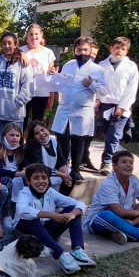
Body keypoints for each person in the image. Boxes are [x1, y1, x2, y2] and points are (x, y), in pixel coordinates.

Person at [14, 164, 95, 275]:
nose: (41, 181)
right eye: (35, 178)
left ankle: (78, 250)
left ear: (49, 180)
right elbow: (22, 210)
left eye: (44, 177)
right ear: (28, 182)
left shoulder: (51, 192)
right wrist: (52, 215)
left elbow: (79, 204)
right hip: (25, 233)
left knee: (73, 209)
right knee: (32, 218)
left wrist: (72, 214)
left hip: (44, 233)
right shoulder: (24, 193)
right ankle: (61, 254)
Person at [51, 36, 107, 184]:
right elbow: (61, 82)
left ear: (90, 51)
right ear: (74, 50)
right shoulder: (69, 65)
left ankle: (75, 169)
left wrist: (91, 84)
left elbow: (104, 92)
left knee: (78, 139)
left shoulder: (97, 69)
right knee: (62, 137)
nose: (81, 52)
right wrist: (54, 75)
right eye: (78, 49)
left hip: (82, 111)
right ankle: (62, 167)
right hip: (64, 108)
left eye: (85, 50)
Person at [83, 150, 139, 244]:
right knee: (106, 215)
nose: (128, 165)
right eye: (124, 162)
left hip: (129, 220)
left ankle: (123, 231)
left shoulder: (134, 180)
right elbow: (121, 213)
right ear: (114, 166)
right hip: (101, 222)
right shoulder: (108, 184)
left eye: (131, 163)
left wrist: (133, 222)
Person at [97, 37, 139, 175]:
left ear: (127, 51)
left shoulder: (131, 66)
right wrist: (97, 99)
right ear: (110, 48)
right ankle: (111, 159)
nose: (119, 51)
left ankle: (108, 162)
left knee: (114, 134)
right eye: (116, 47)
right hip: (105, 104)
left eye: (123, 48)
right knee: (106, 132)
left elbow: (132, 88)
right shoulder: (102, 65)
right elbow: (98, 84)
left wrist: (123, 106)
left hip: (121, 106)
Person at [0, 32, 33, 145]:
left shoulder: (22, 62)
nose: (7, 46)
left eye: (10, 43)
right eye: (4, 43)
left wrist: (18, 103)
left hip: (15, 114)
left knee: (14, 144)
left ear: (15, 44)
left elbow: (29, 85)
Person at [20, 24, 56, 124]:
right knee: (22, 122)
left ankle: (34, 140)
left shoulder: (48, 52)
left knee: (37, 123)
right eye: (31, 34)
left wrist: (51, 97)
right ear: (27, 36)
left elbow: (51, 77)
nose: (34, 37)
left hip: (42, 94)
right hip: (24, 93)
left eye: (36, 34)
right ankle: (22, 140)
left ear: (41, 35)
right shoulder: (21, 50)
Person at [24, 120, 73, 193]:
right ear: (33, 138)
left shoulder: (53, 141)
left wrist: (65, 176)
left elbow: (61, 161)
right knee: (44, 181)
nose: (41, 133)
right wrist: (61, 175)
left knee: (72, 177)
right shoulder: (33, 146)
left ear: (46, 129)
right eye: (36, 133)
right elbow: (39, 167)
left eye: (42, 130)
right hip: (37, 174)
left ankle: (60, 201)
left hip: (50, 172)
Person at [0, 123, 29, 208]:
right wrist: (19, 174)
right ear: (4, 135)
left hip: (15, 178)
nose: (15, 138)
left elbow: (25, 167)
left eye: (17, 135)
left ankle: (25, 206)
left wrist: (26, 171)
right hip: (0, 179)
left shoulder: (20, 150)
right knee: (7, 180)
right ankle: (6, 213)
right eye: (11, 135)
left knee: (29, 178)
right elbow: (0, 171)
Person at [80, 42, 101, 172]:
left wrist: (98, 99)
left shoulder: (96, 69)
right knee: (77, 137)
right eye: (90, 53)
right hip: (75, 108)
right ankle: (79, 160)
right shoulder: (74, 67)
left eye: (94, 54)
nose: (92, 56)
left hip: (90, 107)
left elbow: (102, 88)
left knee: (88, 136)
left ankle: (84, 160)